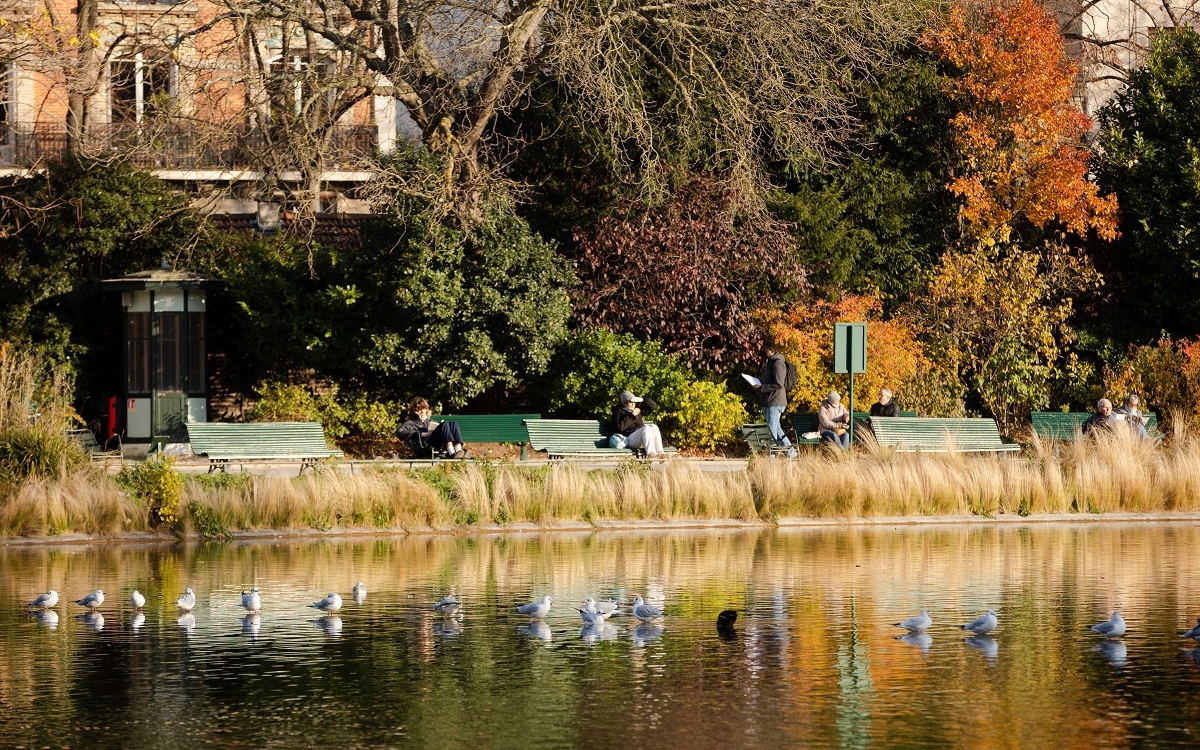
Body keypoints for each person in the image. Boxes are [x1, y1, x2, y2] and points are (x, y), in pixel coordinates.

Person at [752, 340, 797, 458]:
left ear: (772, 350)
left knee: (771, 430)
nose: (763, 352)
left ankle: (771, 456)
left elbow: (778, 384)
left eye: (765, 350)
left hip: (776, 401)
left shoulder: (778, 363)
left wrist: (761, 387)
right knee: (776, 428)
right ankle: (791, 453)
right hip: (769, 401)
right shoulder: (769, 363)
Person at [395, 397, 470, 459]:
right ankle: (452, 453)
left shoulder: (431, 421)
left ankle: (458, 451)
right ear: (414, 411)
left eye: (423, 409)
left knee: (454, 424)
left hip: (436, 442)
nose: (421, 411)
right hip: (424, 444)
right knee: (444, 424)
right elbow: (399, 433)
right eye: (418, 409)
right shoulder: (411, 423)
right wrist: (419, 434)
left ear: (426, 409)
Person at [612, 391, 666, 457]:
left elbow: (653, 406)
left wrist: (642, 400)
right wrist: (632, 416)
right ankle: (651, 453)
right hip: (629, 439)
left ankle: (661, 453)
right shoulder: (618, 412)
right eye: (631, 402)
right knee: (646, 428)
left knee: (654, 427)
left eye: (634, 402)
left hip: (643, 438)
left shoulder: (637, 409)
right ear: (625, 404)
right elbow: (620, 427)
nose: (633, 404)